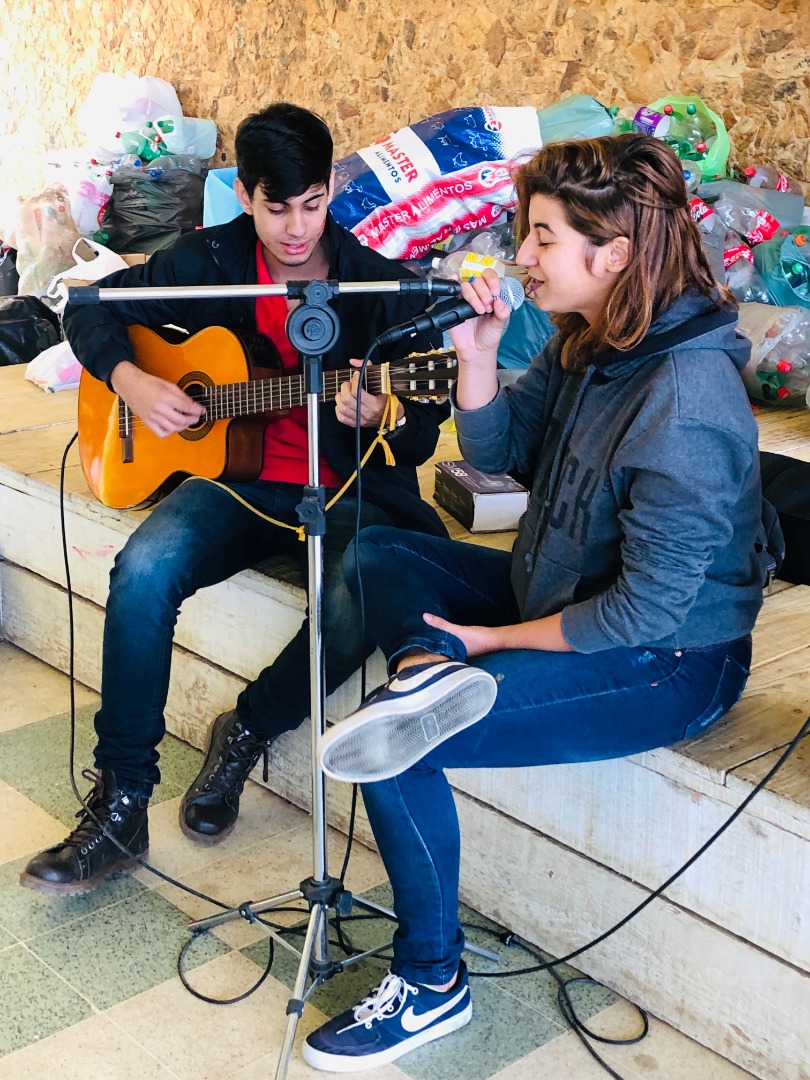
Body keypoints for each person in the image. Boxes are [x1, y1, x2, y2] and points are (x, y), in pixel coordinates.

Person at [303, 134, 769, 1072]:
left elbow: (642, 615)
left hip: (668, 662)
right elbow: (505, 451)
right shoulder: (592, 340)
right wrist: (477, 356)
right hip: (558, 590)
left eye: (542, 238)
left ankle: (432, 984)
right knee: (378, 548)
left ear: (617, 253)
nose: (520, 255)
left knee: (393, 744)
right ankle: (427, 676)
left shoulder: (687, 400)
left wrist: (485, 640)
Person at [21, 102, 450, 896]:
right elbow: (85, 307)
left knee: (370, 585)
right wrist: (134, 380)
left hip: (348, 487)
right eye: (276, 206)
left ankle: (249, 727)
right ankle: (120, 804)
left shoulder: (371, 280)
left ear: (330, 192)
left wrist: (386, 410)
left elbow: (425, 427)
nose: (296, 228)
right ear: (246, 196)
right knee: (144, 569)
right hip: (239, 483)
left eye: (313, 203)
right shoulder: (205, 259)